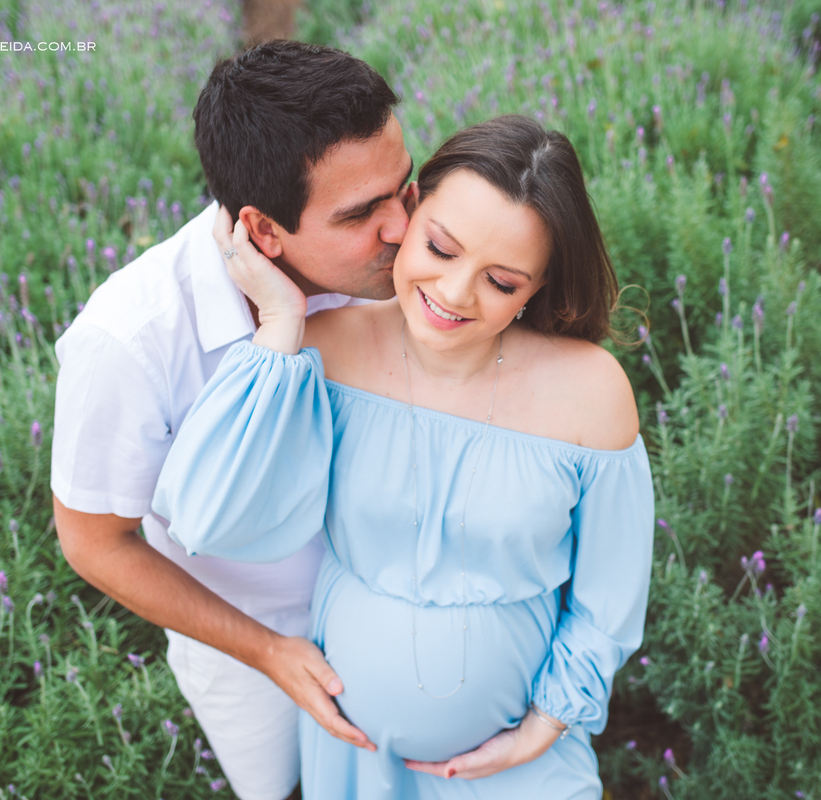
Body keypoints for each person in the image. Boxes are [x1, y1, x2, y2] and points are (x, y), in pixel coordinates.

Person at [152, 115, 655, 798]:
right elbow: (211, 517)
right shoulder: (328, 350)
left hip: (519, 762)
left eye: (501, 283)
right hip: (353, 756)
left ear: (536, 288)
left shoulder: (591, 392)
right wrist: (279, 324)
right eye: (441, 248)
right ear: (410, 209)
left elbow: (611, 591)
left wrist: (553, 719)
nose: (453, 294)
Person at [50, 40, 412, 800]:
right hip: (249, 639)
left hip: (400, 599)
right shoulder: (129, 339)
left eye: (403, 190)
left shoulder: (398, 266)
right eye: (361, 214)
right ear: (264, 229)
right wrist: (268, 652)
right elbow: (94, 542)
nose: (404, 230)